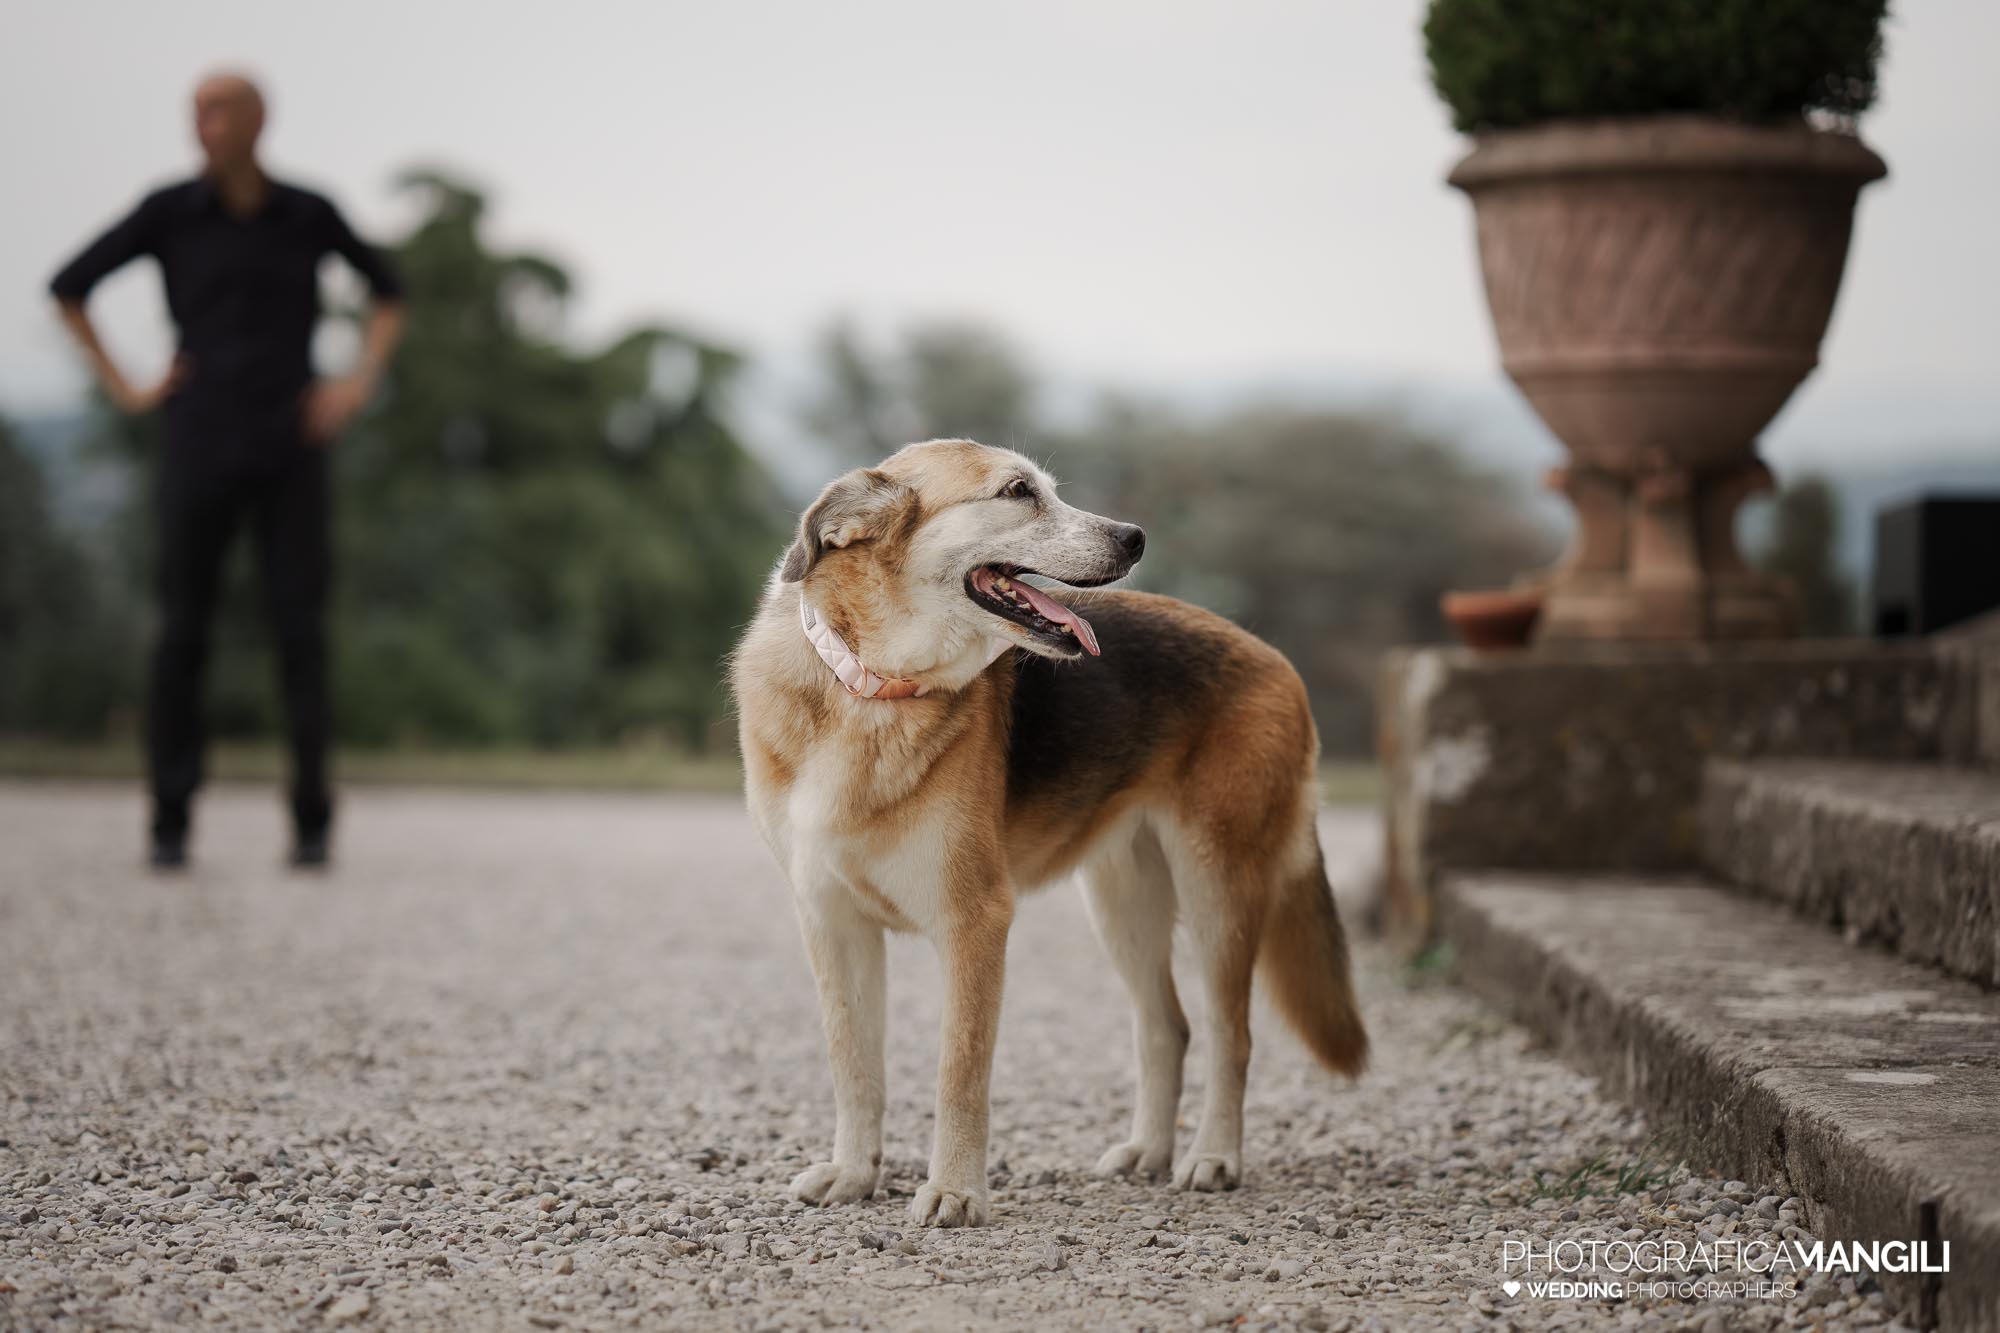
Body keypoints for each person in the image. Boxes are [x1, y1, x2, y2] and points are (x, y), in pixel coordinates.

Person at [50, 72, 407, 871]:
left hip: (291, 443)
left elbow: (390, 291)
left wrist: (353, 384)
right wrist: (126, 383)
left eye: (217, 111)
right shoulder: (169, 211)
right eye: (195, 112)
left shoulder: (305, 213)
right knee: (181, 633)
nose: (203, 126)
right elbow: (70, 286)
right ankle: (170, 818)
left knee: (300, 634)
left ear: (256, 121)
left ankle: (312, 819)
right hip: (198, 440)